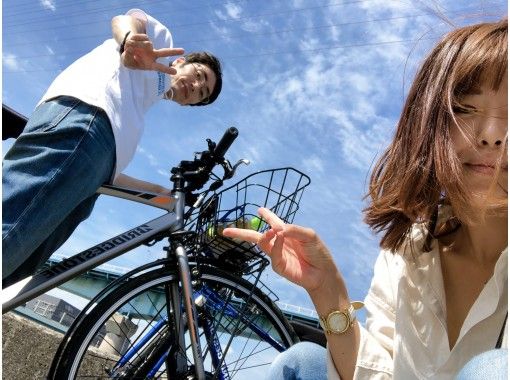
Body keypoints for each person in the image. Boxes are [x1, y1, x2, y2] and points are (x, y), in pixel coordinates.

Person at [223, 18, 507, 380]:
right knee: (302, 362)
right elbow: (380, 373)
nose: (492, 135)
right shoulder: (407, 249)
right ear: (429, 124)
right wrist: (328, 292)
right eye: (465, 109)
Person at [2, 8, 223, 287]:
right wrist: (131, 39)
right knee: (8, 239)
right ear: (181, 61)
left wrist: (161, 193)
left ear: (189, 104)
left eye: (201, 93)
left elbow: (109, 172)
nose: (196, 86)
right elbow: (126, 20)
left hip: (93, 166)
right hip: (86, 121)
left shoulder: (143, 103)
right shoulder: (161, 45)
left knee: (18, 266)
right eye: (200, 74)